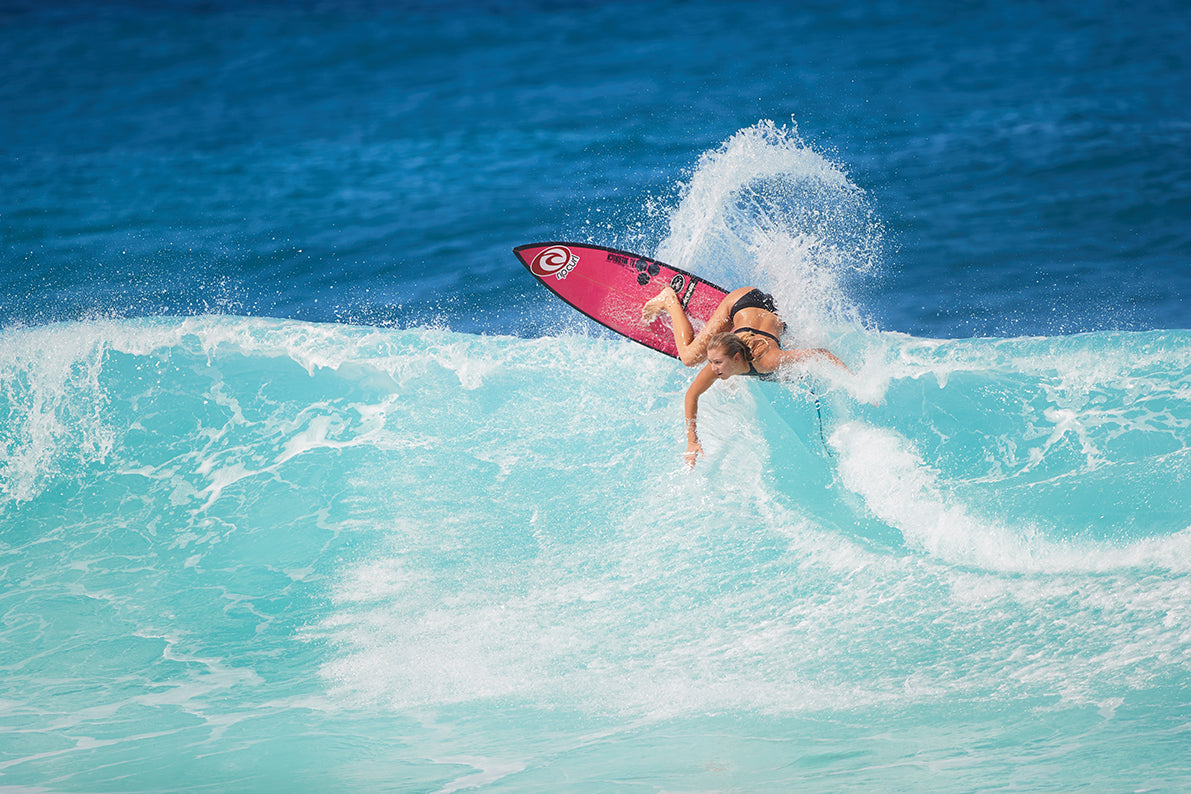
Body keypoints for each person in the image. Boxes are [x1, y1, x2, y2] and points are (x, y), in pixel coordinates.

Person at [642, 285, 848, 466]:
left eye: (718, 363)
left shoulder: (769, 360)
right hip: (742, 304)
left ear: (737, 358)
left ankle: (683, 308)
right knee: (689, 358)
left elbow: (822, 354)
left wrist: (852, 380)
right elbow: (692, 395)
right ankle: (668, 299)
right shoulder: (721, 365)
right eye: (712, 362)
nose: (712, 369)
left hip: (754, 305)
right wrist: (691, 439)